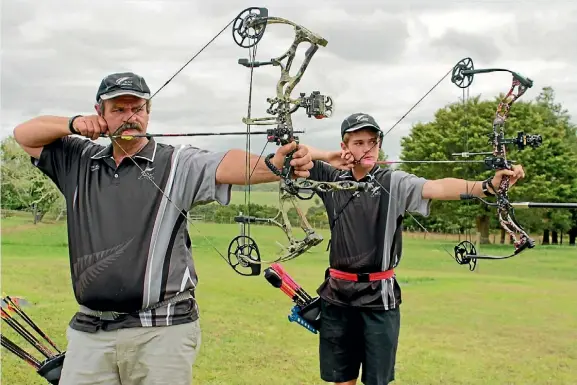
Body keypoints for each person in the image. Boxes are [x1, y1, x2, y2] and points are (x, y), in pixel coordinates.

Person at [12, 71, 315, 385]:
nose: (130, 117)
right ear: (99, 113)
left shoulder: (175, 163)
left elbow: (224, 163)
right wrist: (73, 124)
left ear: (148, 112)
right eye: (118, 109)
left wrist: (273, 166)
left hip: (162, 333)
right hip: (91, 332)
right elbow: (24, 134)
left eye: (137, 108)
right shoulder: (78, 160)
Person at [302, 112, 526, 385]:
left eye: (373, 142)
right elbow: (293, 154)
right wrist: (328, 156)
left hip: (379, 297)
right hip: (337, 294)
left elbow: (438, 187)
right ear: (345, 147)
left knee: (376, 381)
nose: (367, 148)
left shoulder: (393, 182)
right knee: (342, 379)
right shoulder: (330, 177)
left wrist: (487, 186)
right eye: (358, 142)